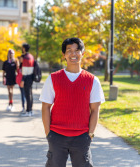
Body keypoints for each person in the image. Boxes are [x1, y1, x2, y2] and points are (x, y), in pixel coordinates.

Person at [39, 37, 105, 167]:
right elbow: (45, 107)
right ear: (64, 55)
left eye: (77, 50)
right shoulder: (53, 78)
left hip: (81, 137)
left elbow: (95, 110)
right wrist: (48, 134)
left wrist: (90, 135)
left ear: (83, 53)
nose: (73, 54)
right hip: (57, 136)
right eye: (69, 50)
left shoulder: (93, 80)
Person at [20, 43, 35, 117]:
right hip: (31, 77)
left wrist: (22, 80)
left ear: (24, 48)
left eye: (22, 48)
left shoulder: (26, 57)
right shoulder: (31, 56)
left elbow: (25, 70)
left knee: (27, 95)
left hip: (26, 78)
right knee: (30, 94)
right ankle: (30, 110)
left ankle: (28, 111)